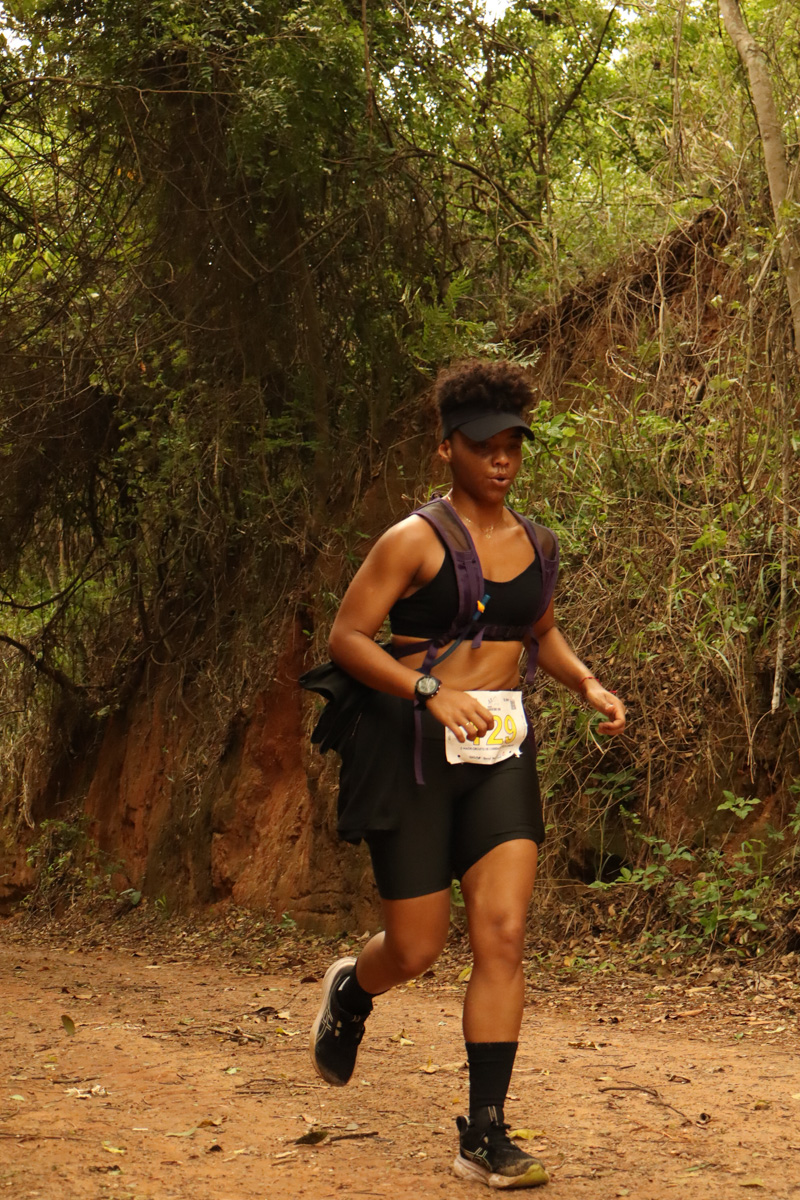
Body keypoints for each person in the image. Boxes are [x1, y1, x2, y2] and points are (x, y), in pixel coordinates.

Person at [308, 360, 626, 1190]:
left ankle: (485, 1131)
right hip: (410, 750)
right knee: (417, 946)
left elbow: (538, 632)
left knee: (503, 933)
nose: (501, 459)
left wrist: (587, 684)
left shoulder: (538, 545)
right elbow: (347, 637)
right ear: (447, 447)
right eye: (484, 445)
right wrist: (429, 691)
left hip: (500, 756)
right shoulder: (412, 540)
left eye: (513, 444)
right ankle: (353, 989)